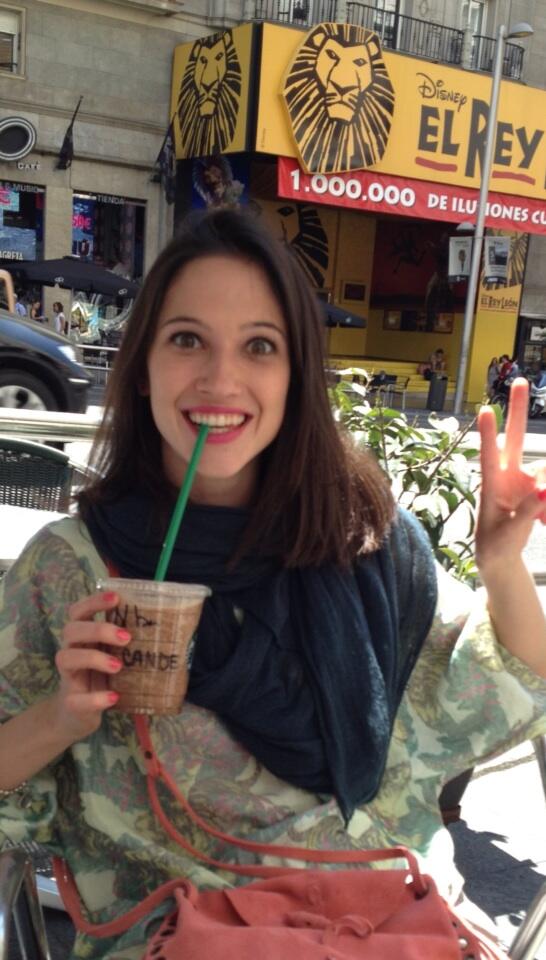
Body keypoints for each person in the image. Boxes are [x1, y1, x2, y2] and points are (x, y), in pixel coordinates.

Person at [0, 210, 545, 960]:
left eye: (260, 346)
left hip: (383, 920)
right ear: (144, 365)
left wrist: (503, 567)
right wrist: (63, 717)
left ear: (295, 377)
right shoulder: (70, 568)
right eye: (187, 339)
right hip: (177, 931)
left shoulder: (366, 541)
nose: (221, 379)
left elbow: (509, 681)